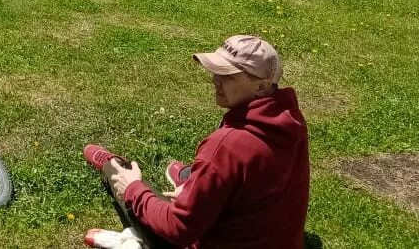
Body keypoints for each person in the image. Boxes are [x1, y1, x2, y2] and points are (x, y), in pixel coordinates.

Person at [84, 35, 309, 249]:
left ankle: (112, 164)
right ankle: (192, 180)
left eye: (227, 75)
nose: (215, 79)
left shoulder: (227, 146)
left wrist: (133, 188)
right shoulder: (290, 121)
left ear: (261, 87)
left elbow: (180, 229)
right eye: (215, 71)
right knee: (210, 179)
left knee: (127, 181)